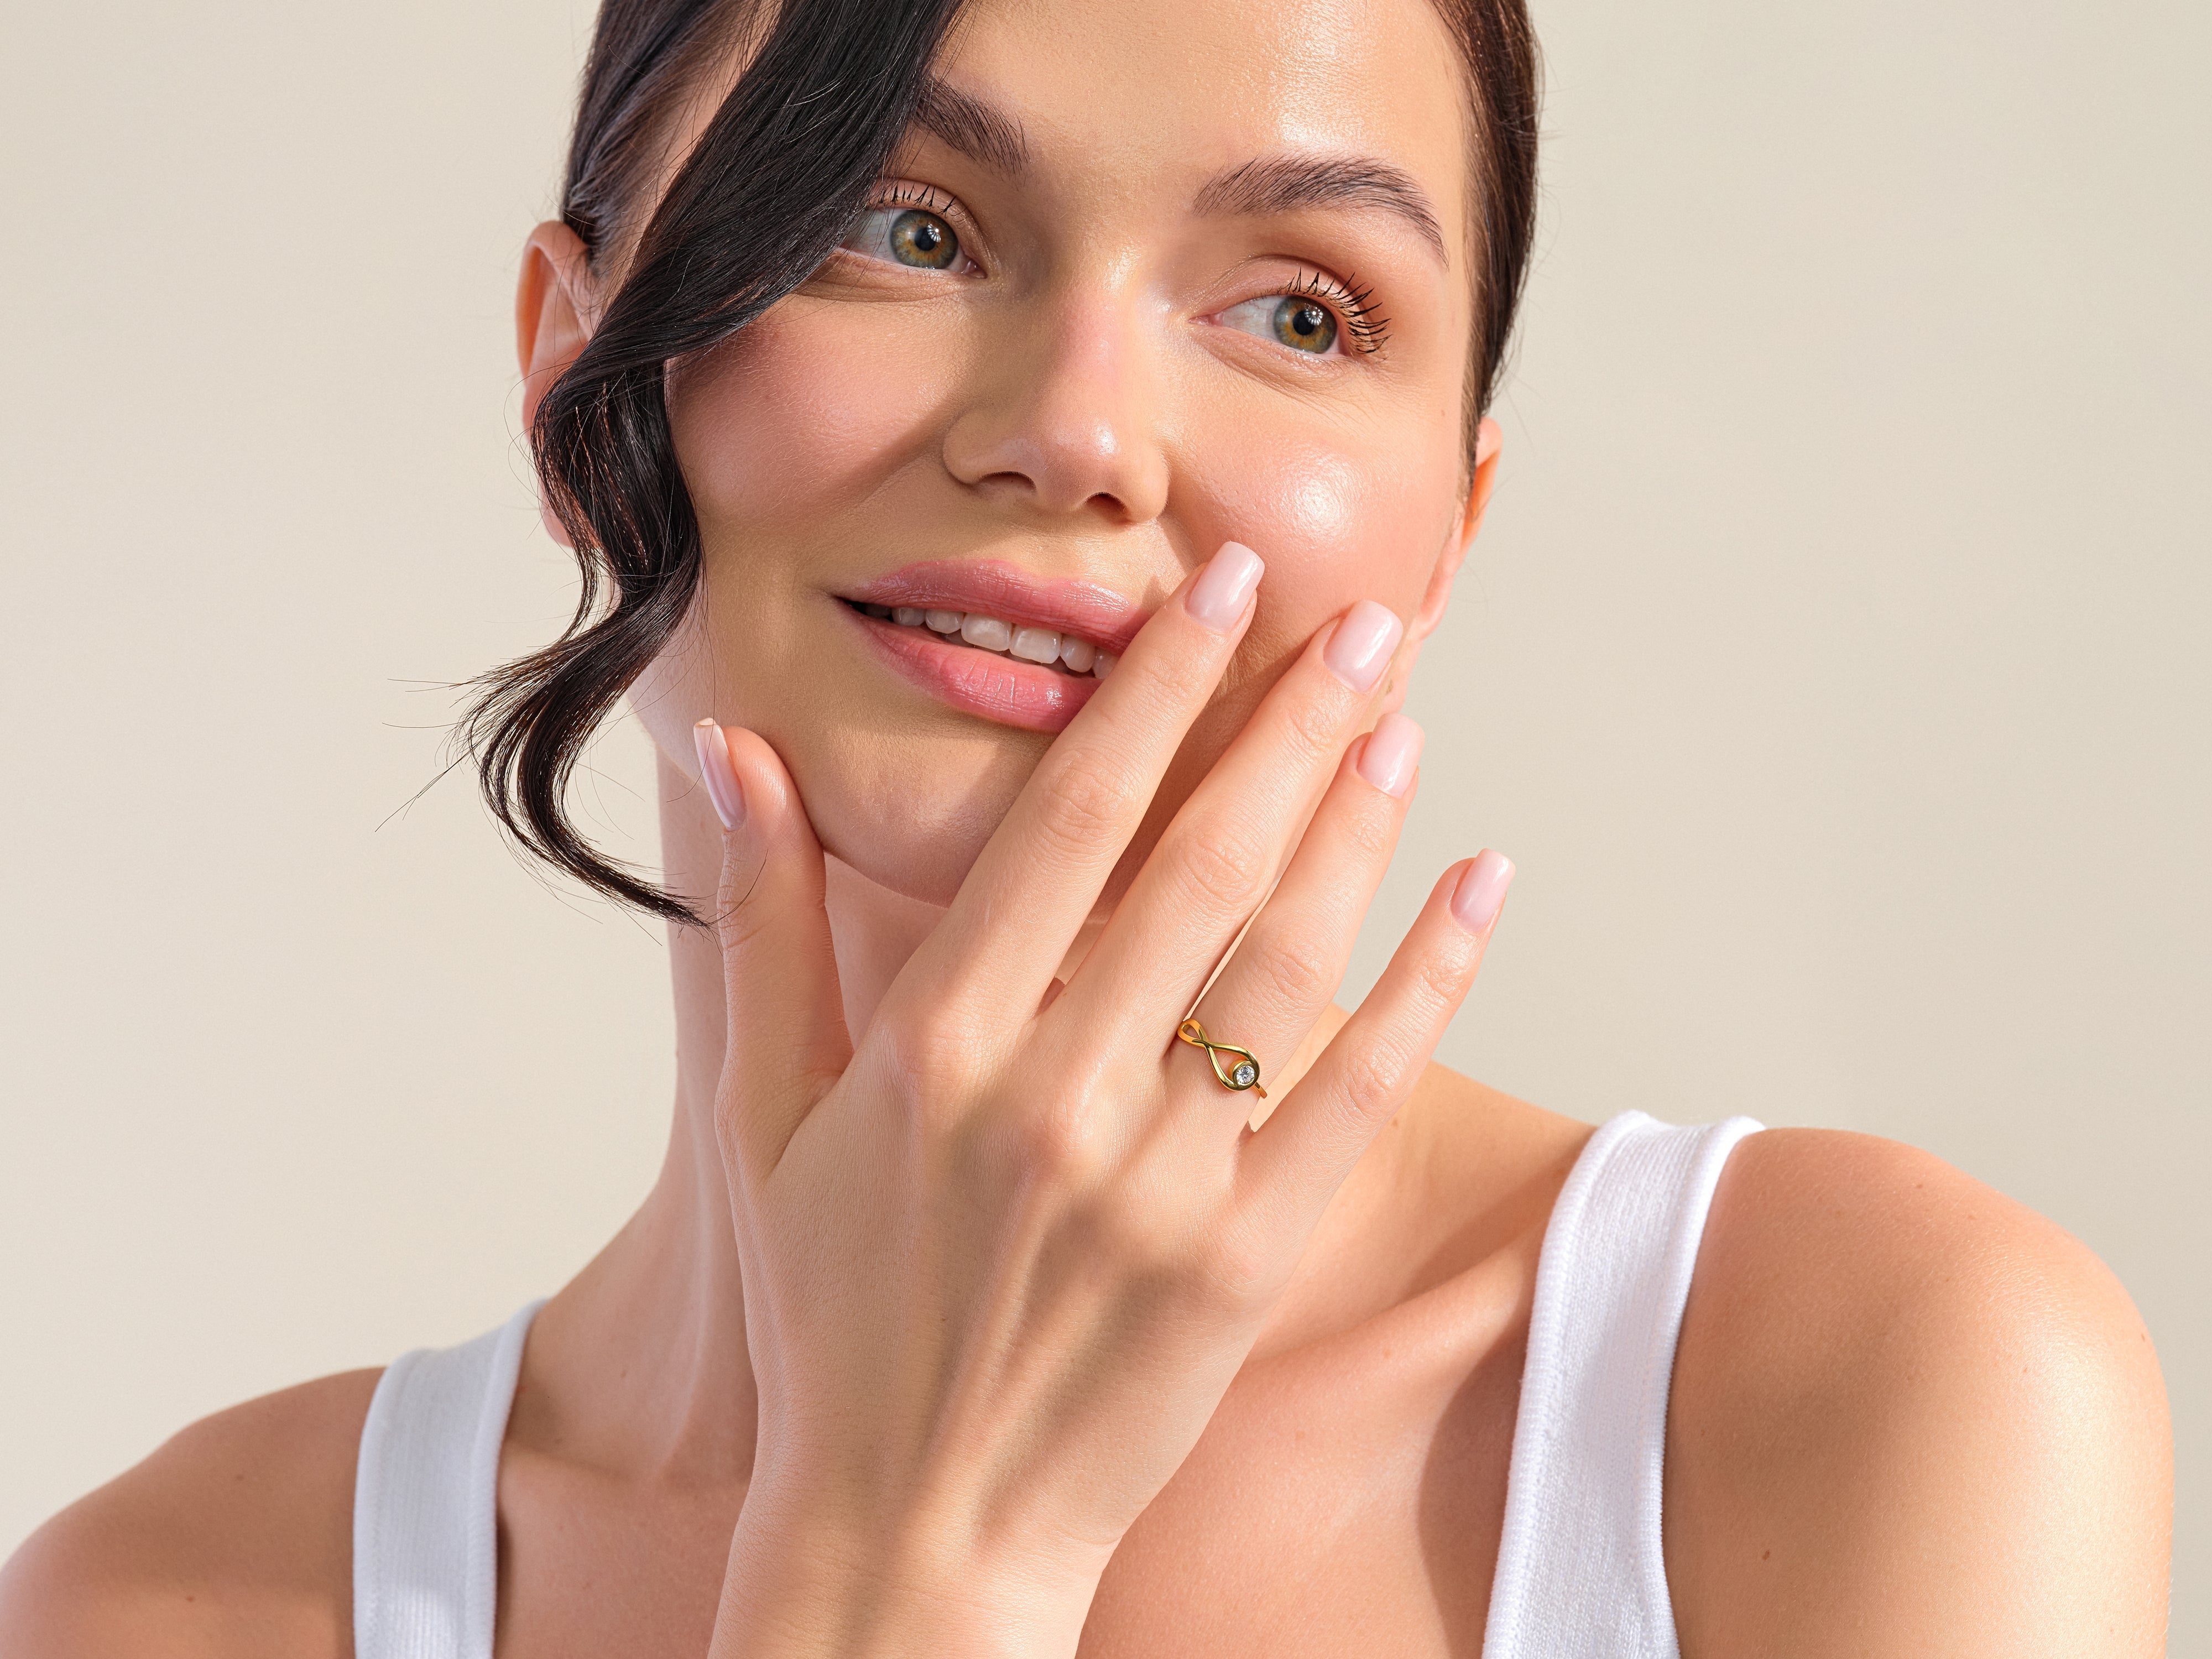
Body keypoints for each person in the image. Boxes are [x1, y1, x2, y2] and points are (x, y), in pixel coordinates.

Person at [0, 0, 2173, 1652]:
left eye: (1297, 309)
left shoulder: (1866, 1380)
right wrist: (897, 1559)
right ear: (579, 381)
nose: (1075, 436)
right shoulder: (175, 1603)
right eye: (898, 226)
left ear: (1443, 537)